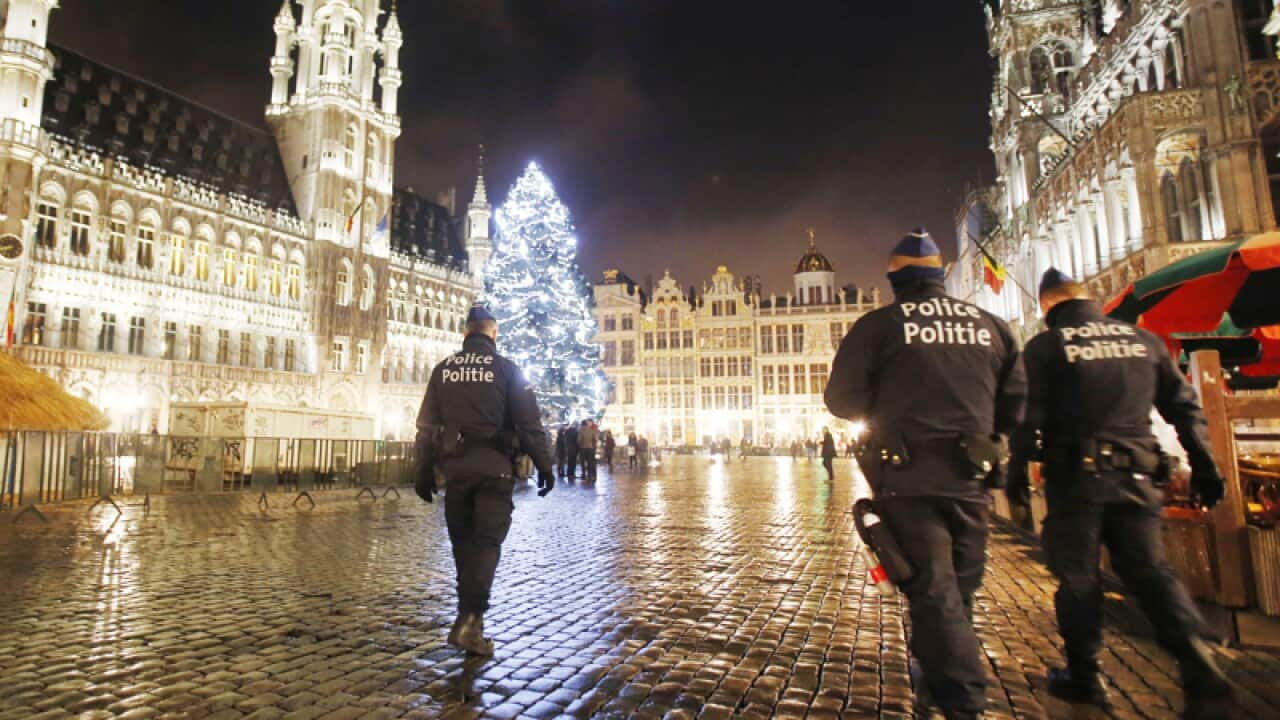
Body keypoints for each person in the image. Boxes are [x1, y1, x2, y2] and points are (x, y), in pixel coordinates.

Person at [1008, 269, 1231, 717]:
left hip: (1076, 480)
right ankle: (1197, 660)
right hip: (1138, 476)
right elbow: (1184, 408)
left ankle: (1084, 675)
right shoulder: (1142, 341)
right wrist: (1205, 465)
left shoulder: (1047, 346)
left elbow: (1025, 418)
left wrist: (1014, 473)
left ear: (1048, 307)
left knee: (1078, 578)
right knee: (1151, 573)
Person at [825, 228, 1026, 720]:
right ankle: (937, 680)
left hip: (909, 475)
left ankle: (964, 702)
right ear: (940, 275)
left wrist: (891, 407)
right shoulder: (992, 326)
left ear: (895, 279)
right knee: (959, 586)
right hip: (971, 477)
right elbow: (1018, 404)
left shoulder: (880, 327)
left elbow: (841, 400)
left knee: (934, 589)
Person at [416, 303, 556, 657]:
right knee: (487, 543)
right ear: (493, 334)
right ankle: (470, 620)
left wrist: (421, 470)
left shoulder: (443, 369)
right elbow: (529, 424)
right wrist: (545, 465)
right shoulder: (507, 370)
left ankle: (469, 622)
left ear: (466, 333)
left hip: (456, 470)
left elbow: (425, 427)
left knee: (463, 544)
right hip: (495, 469)